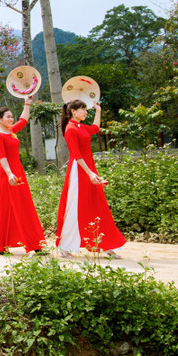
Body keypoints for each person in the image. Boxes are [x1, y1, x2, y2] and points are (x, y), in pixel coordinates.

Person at [56, 100, 125, 257]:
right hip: (79, 171)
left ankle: (106, 244)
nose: (85, 112)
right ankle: (65, 246)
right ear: (73, 111)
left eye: (86, 109)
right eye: (83, 109)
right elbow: (76, 155)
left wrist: (98, 110)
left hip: (88, 169)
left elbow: (95, 128)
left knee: (97, 204)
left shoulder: (80, 127)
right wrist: (90, 173)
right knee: (75, 207)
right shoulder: (70, 129)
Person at [0, 98, 46, 255]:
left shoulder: (12, 132)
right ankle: (2, 245)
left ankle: (35, 244)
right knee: (6, 208)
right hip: (7, 174)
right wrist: (9, 174)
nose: (11, 119)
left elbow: (24, 119)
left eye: (11, 116)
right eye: (7, 117)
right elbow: (2, 157)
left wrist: (27, 103)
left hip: (18, 171)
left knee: (24, 205)